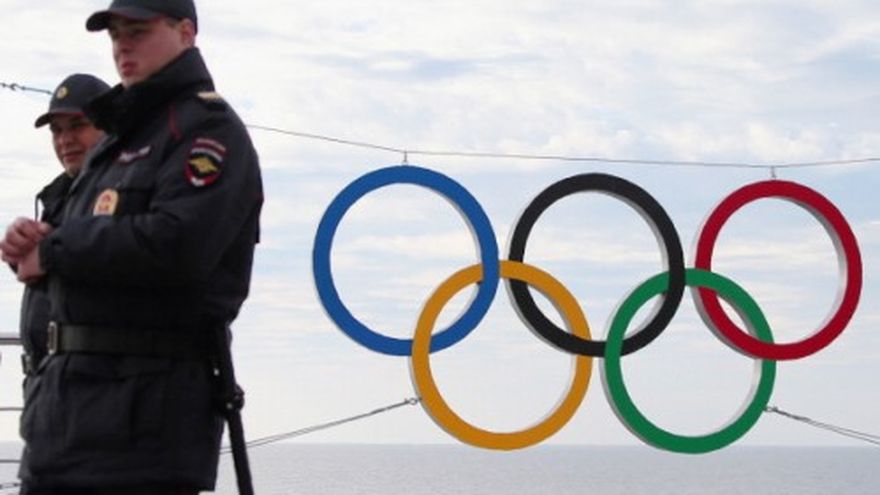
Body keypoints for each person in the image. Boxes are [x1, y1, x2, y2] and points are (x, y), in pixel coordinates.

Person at [1, 0, 264, 493]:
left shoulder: (206, 130)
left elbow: (180, 246)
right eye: (116, 33)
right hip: (63, 425)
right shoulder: (115, 143)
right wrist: (31, 245)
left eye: (138, 31)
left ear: (185, 33)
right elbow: (77, 245)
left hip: (142, 434)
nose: (122, 44)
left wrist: (55, 250)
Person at [12, 74, 110, 379]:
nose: (65, 140)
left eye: (78, 126)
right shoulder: (58, 200)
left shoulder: (119, 194)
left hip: (93, 381)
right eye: (57, 130)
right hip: (47, 381)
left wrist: (52, 249)